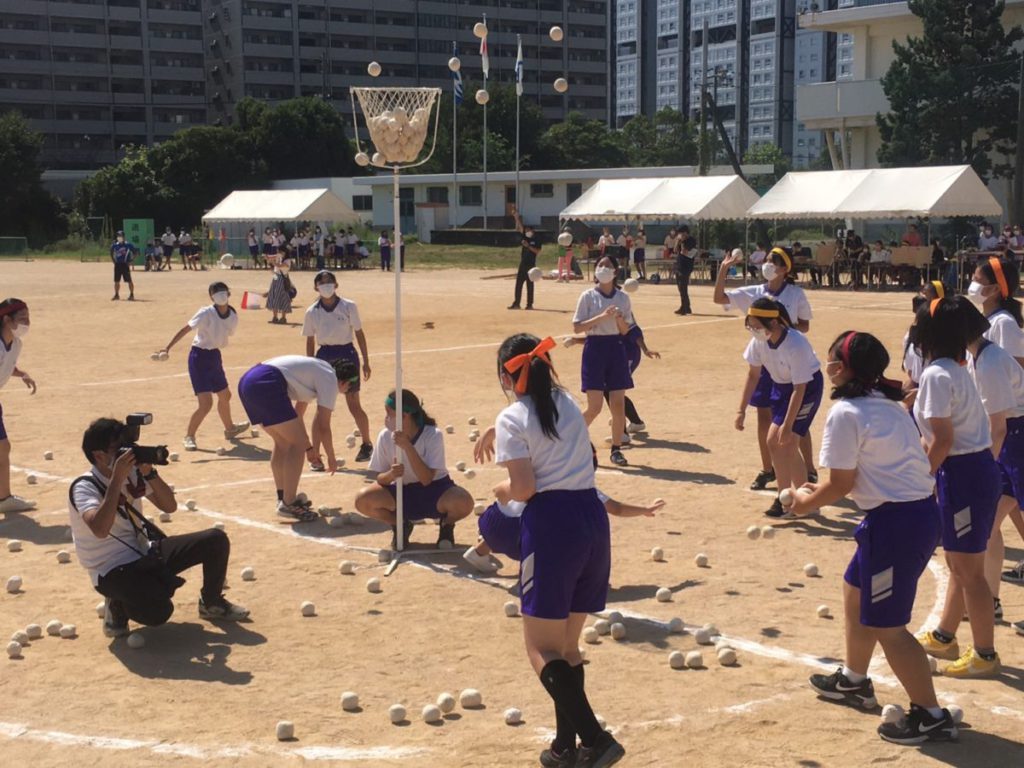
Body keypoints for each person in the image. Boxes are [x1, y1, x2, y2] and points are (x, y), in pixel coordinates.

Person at [783, 332, 955, 745]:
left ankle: (931, 715)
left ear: (842, 368)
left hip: (895, 525)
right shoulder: (888, 404)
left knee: (890, 628)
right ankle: (854, 679)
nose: (827, 366)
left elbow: (842, 483)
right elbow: (865, 473)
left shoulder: (847, 412)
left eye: (831, 360)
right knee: (855, 589)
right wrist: (819, 492)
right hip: (908, 516)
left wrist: (804, 504)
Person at [491, 332, 625, 767]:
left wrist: (502, 490)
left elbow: (524, 488)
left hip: (553, 525)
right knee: (567, 647)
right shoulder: (567, 403)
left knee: (540, 648)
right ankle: (566, 747)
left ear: (506, 377)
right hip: (591, 518)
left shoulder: (512, 417)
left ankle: (596, 738)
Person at [69, 417, 249, 637]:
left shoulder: (132, 474)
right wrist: (116, 479)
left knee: (215, 539)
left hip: (143, 551)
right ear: (99, 455)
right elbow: (99, 529)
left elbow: (169, 506)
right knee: (159, 612)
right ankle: (117, 603)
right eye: (120, 449)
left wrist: (149, 472)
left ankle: (212, 603)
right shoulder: (84, 487)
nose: (128, 454)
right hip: (110, 569)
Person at [913, 297, 1002, 678]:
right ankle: (944, 636)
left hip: (963, 474)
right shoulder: (953, 369)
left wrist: (920, 481)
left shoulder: (936, 375)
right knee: (958, 562)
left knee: (969, 571)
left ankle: (985, 653)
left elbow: (943, 439)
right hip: (970, 471)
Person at [715, 247, 816, 492]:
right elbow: (720, 299)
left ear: (785, 269)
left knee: (796, 422)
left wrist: (784, 329)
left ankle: (809, 469)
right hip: (767, 360)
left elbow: (805, 325)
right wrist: (723, 270)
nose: (767, 264)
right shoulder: (755, 292)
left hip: (788, 360)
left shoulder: (795, 293)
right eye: (767, 260)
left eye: (773, 261)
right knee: (765, 417)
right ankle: (767, 469)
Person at [957, 300, 1024, 631]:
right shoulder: (976, 356)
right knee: (988, 524)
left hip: (1017, 437)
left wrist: (983, 466)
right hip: (1010, 439)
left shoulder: (990, 362)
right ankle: (991, 600)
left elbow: (998, 426)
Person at [735, 298, 823, 518]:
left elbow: (800, 388)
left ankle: (792, 501)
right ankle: (796, 498)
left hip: (806, 389)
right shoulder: (759, 342)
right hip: (782, 388)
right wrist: (741, 410)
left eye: (756, 326)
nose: (753, 331)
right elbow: (753, 375)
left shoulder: (796, 344)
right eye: (750, 326)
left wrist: (788, 424)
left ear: (773, 323)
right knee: (775, 442)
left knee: (787, 440)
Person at [237, 354, 352, 522]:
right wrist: (331, 458)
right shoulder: (330, 379)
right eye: (351, 384)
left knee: (283, 442)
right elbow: (323, 426)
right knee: (296, 445)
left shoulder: (316, 372)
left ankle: (283, 498)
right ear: (343, 381)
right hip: (266, 383)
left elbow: (296, 416)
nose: (349, 388)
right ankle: (289, 503)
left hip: (248, 382)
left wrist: (309, 448)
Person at [355, 389, 473, 549]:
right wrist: (391, 474)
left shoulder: (432, 435)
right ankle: (400, 525)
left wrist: (407, 446)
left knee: (464, 502)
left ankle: (446, 525)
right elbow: (380, 478)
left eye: (390, 413)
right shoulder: (385, 436)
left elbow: (426, 479)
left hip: (434, 491)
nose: (386, 418)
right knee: (362, 500)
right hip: (400, 491)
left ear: (405, 416)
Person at [158, 282, 250, 452]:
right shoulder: (205, 312)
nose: (220, 294)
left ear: (228, 294)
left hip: (214, 356)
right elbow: (186, 329)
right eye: (216, 292)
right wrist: (167, 347)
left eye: (222, 291)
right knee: (206, 403)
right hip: (199, 358)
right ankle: (189, 436)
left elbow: (227, 333)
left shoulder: (233, 315)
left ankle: (230, 429)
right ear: (211, 297)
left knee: (225, 395)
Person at [300, 271, 373, 466]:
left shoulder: (349, 306)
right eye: (322, 283)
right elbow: (310, 340)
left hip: (347, 354)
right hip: (324, 357)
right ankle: (316, 454)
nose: (326, 286)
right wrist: (310, 365)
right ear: (316, 287)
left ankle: (367, 444)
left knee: (353, 402)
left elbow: (359, 333)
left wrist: (365, 361)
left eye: (329, 282)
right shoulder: (312, 312)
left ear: (336, 285)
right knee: (321, 408)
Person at [573, 256, 634, 467]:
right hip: (595, 349)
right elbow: (577, 327)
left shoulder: (623, 298)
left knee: (618, 404)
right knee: (595, 407)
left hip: (616, 348)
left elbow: (626, 331)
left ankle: (616, 449)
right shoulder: (588, 296)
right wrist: (601, 317)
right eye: (600, 265)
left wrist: (618, 319)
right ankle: (570, 440)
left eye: (608, 266)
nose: (604, 269)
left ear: (616, 272)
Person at [0, 299, 36, 514]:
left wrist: (21, 374)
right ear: (7, 319)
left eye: (28, 318)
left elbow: (6, 365)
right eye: (22, 318)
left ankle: (4, 498)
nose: (27, 323)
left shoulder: (16, 344)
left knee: (3, 448)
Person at [968, 256, 1024, 366]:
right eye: (973, 278)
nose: (972, 283)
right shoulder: (984, 318)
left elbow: (1017, 368)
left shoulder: (1004, 323)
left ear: (995, 289)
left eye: (977, 280)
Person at [509, 207, 541, 310]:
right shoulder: (525, 237)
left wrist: (528, 246)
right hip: (522, 264)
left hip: (531, 265)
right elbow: (520, 227)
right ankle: (516, 303)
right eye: (526, 230)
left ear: (532, 231)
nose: (526, 232)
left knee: (530, 285)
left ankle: (529, 304)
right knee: (518, 284)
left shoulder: (537, 239)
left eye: (528, 230)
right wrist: (516, 217)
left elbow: (537, 251)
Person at [264, 257, 295, 324]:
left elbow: (279, 266)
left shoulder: (287, 260)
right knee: (274, 297)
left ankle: (283, 318)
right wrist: (270, 260)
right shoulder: (279, 258)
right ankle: (275, 317)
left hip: (282, 280)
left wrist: (272, 261)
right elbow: (275, 270)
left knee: (283, 298)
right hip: (276, 278)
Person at [109, 230, 137, 301]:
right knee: (116, 281)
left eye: (120, 236)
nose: (119, 237)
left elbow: (135, 253)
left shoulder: (128, 245)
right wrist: (113, 260)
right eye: (118, 236)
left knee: (129, 280)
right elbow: (111, 252)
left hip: (125, 264)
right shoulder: (115, 245)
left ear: (124, 237)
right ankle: (116, 295)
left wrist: (130, 261)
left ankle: (131, 294)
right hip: (118, 264)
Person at [673, 231, 696, 315]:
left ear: (685, 233)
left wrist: (682, 242)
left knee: (683, 288)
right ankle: (686, 307)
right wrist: (677, 241)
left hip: (686, 267)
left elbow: (684, 251)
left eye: (682, 233)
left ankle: (685, 308)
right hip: (679, 266)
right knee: (681, 288)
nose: (680, 235)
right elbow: (675, 250)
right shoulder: (680, 241)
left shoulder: (691, 240)